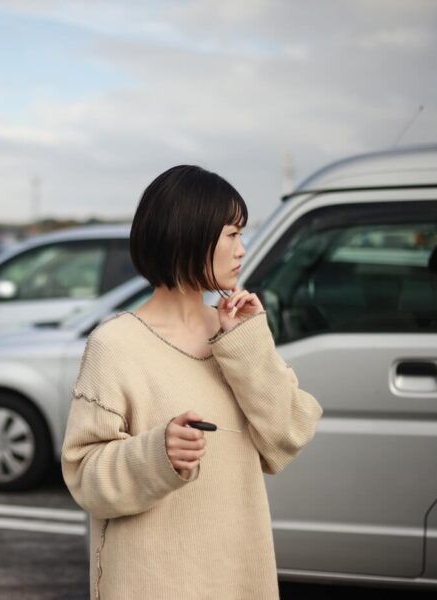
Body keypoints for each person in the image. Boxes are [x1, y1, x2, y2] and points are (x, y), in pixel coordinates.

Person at [61, 165, 323, 599]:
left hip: (239, 574)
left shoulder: (237, 333)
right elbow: (84, 476)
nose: (243, 249)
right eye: (232, 235)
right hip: (152, 582)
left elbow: (289, 433)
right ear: (190, 235)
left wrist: (248, 341)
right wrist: (156, 454)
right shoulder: (115, 345)